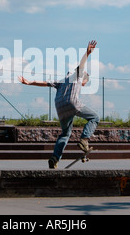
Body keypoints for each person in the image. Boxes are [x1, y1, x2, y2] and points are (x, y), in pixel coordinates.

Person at [18, 40, 99, 169]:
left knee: (65, 134)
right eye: (84, 83)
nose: (83, 85)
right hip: (72, 103)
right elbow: (82, 64)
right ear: (83, 80)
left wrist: (29, 82)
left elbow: (45, 83)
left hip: (60, 108)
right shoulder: (78, 75)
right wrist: (87, 53)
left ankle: (55, 157)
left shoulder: (62, 81)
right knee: (95, 117)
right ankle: (84, 139)